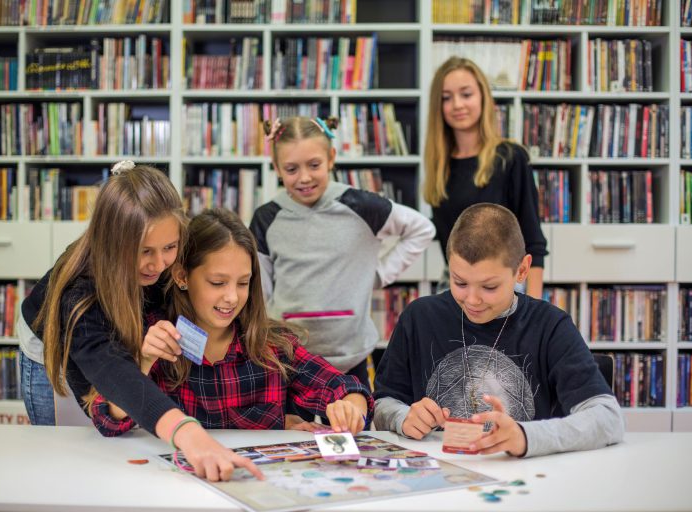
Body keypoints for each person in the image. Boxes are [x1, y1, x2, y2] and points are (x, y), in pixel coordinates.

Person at [22, 162, 262, 482]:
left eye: (169, 248)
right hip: (54, 349)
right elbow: (112, 372)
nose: (159, 264)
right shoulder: (77, 293)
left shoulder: (168, 258)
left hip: (126, 334)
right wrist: (190, 435)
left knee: (119, 440)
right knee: (71, 458)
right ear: (111, 243)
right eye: (143, 251)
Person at [89, 208, 373, 436]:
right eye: (217, 282)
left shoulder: (272, 345)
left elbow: (346, 387)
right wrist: (143, 362)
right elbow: (106, 420)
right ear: (181, 276)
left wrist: (350, 407)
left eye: (243, 283)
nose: (231, 297)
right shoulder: (153, 336)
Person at [373, 203, 624, 457]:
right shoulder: (418, 318)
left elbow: (608, 418)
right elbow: (382, 403)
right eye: (460, 282)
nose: (472, 299)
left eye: (489, 287)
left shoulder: (550, 326)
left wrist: (526, 437)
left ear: (522, 270)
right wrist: (403, 417)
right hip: (438, 476)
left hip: (526, 479)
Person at [250, 116, 435, 396]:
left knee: (354, 436)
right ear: (276, 167)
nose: (304, 177)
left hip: (351, 359)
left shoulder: (361, 205)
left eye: (314, 165)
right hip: (288, 361)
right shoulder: (266, 218)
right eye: (291, 168)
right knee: (288, 436)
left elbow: (422, 228)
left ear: (331, 157)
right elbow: (261, 292)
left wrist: (379, 275)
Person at [424, 56, 547, 298]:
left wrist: (534, 312)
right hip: (455, 289)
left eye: (466, 94)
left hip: (503, 288)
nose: (457, 104)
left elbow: (533, 241)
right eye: (446, 98)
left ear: (483, 97)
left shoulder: (511, 158)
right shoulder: (439, 166)